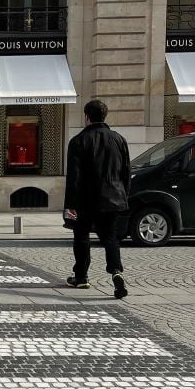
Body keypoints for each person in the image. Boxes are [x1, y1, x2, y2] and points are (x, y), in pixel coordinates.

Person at [63, 98, 130, 298]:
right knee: (110, 237)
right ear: (104, 116)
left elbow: (74, 177)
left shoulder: (78, 141)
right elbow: (126, 172)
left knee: (81, 236)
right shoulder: (119, 139)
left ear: (86, 117)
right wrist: (124, 196)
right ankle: (116, 271)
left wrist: (70, 205)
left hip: (85, 199)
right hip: (112, 197)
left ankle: (81, 277)